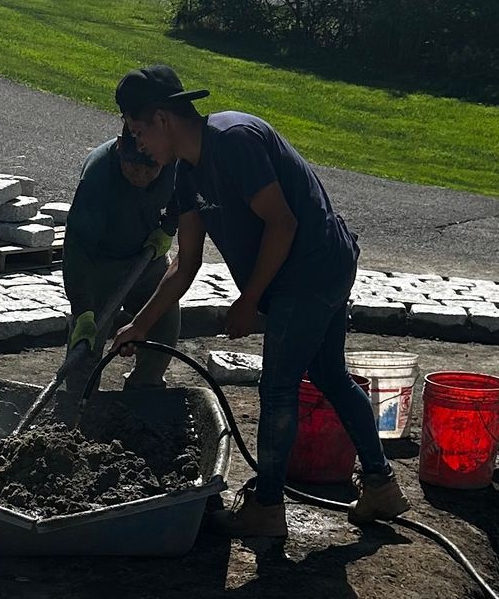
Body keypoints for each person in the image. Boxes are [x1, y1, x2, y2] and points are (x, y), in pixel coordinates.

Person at [110, 62, 408, 542]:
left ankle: (268, 506)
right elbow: (184, 266)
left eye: (138, 129)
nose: (137, 142)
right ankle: (381, 486)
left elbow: (283, 223)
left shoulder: (236, 141)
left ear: (163, 118)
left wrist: (248, 302)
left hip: (314, 267)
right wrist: (139, 326)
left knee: (278, 386)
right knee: (328, 374)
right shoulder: (186, 175)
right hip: (304, 272)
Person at [61, 129, 179, 387]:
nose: (142, 177)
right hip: (102, 265)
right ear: (119, 148)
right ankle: (75, 406)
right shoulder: (98, 175)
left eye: (151, 171)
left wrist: (168, 228)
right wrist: (83, 308)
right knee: (87, 346)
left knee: (165, 325)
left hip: (148, 259)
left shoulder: (170, 159)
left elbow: (185, 195)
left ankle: (143, 390)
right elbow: (76, 246)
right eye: (134, 168)